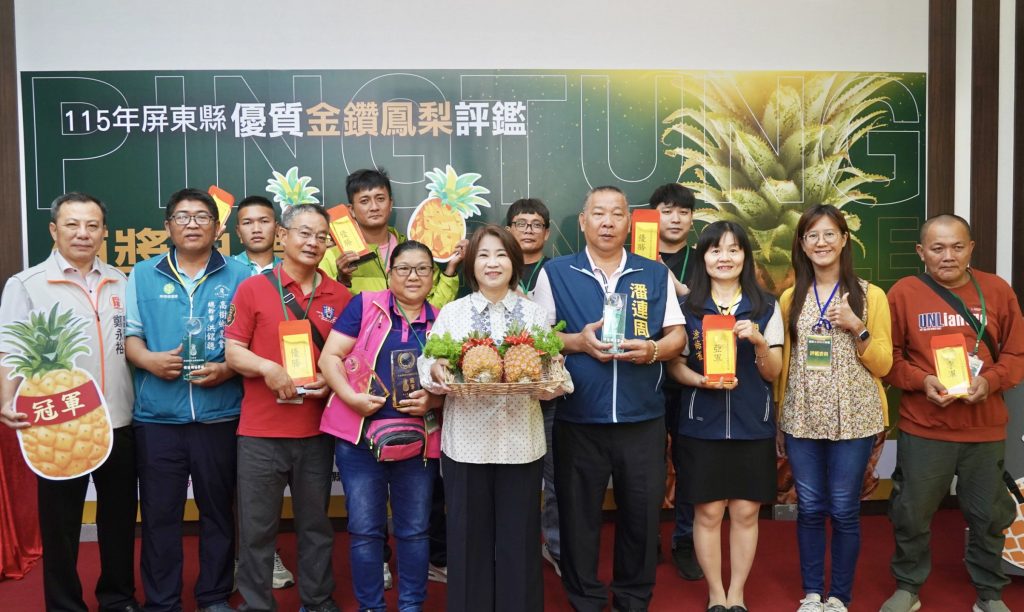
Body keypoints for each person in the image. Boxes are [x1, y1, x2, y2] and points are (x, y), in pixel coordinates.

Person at [532, 186, 686, 612]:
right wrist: (577, 342)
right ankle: (585, 599)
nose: (607, 222)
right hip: (578, 419)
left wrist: (652, 350)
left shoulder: (653, 273)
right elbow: (539, 338)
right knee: (578, 518)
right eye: (598, 214)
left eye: (616, 214)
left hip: (643, 419)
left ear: (629, 222)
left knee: (641, 517)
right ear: (583, 221)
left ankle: (633, 599)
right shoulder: (556, 273)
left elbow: (676, 335)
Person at [0, 192, 139, 612]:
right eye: (72, 225)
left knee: (118, 519)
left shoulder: (122, 280)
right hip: (59, 424)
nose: (83, 233)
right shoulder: (26, 285)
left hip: (120, 419)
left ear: (104, 232)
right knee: (60, 525)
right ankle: (64, 604)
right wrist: (5, 398)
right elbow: (9, 348)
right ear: (53, 230)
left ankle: (117, 597)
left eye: (92, 225)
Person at [422, 225, 569, 612]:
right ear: (472, 263)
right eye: (484, 255)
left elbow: (555, 381)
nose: (492, 263)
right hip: (466, 447)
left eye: (501, 255)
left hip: (521, 445)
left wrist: (550, 375)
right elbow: (427, 366)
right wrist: (435, 370)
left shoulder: (534, 314)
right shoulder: (453, 313)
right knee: (467, 540)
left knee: (519, 541)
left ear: (514, 263)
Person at [880, 214, 1024, 612]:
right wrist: (921, 380)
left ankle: (989, 593)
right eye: (938, 248)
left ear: (971, 249)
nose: (948, 256)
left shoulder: (997, 290)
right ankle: (908, 587)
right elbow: (889, 359)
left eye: (957, 247)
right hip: (925, 428)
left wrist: (990, 381)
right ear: (921, 252)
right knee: (911, 513)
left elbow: (1016, 354)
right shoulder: (904, 293)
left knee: (989, 516)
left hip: (984, 430)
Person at [125, 188, 250, 612]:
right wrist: (149, 360)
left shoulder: (240, 276)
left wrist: (227, 370)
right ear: (168, 226)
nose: (192, 224)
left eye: (202, 217)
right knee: (160, 515)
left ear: (217, 228)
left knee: (218, 512)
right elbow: (131, 337)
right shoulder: (143, 273)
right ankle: (162, 601)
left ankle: (213, 595)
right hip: (158, 417)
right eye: (182, 216)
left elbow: (254, 342)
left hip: (220, 415)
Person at [224, 203, 349, 612]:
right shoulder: (253, 288)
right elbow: (233, 351)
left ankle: (318, 601)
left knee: (316, 526)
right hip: (260, 433)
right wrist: (268, 369)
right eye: (304, 233)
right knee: (257, 530)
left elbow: (351, 361)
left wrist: (329, 380)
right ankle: (256, 604)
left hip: (316, 432)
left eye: (321, 237)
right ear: (283, 235)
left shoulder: (341, 297)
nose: (313, 242)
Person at [775, 205, 893, 612]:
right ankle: (812, 593)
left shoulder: (870, 295)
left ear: (844, 239)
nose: (821, 242)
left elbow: (884, 364)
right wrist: (780, 416)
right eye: (812, 235)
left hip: (855, 418)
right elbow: (784, 364)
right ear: (802, 244)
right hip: (802, 416)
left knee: (844, 509)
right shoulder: (790, 298)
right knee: (808, 507)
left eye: (829, 234)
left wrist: (857, 326)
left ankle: (839, 596)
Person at [666, 220, 783, 612]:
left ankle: (738, 594)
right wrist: (700, 380)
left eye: (734, 249)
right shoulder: (687, 308)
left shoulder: (767, 306)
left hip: (753, 423)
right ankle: (716, 593)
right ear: (703, 257)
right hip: (702, 424)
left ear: (745, 256)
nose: (725, 258)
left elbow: (773, 372)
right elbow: (675, 366)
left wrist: (760, 342)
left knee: (746, 512)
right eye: (716, 250)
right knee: (709, 511)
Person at [319, 240, 442, 612]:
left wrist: (434, 401)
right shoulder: (365, 305)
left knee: (415, 531)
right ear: (390, 274)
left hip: (418, 445)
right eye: (403, 268)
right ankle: (371, 607)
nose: (412, 276)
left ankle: (411, 606)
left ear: (433, 276)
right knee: (364, 531)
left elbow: (455, 382)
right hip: (360, 442)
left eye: (422, 269)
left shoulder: (443, 320)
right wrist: (350, 398)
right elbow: (330, 357)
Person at [504, 197, 562, 576]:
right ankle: (514, 547)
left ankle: (554, 546)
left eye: (536, 224)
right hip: (501, 393)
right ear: (508, 230)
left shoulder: (558, 272)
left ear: (546, 231)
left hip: (547, 389)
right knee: (511, 476)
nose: (528, 230)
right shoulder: (492, 269)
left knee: (555, 475)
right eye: (521, 223)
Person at [647, 182, 701, 581]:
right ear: (653, 216)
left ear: (692, 219)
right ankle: (646, 539)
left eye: (683, 212)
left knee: (689, 464)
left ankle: (685, 540)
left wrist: (680, 290)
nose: (676, 219)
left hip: (690, 377)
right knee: (646, 467)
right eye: (667, 211)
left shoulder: (704, 259)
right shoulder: (634, 258)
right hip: (644, 376)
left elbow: (711, 311)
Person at [319, 168, 464, 306]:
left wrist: (450, 270)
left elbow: (434, 308)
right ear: (351, 210)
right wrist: (342, 281)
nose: (374, 207)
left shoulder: (414, 250)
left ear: (390, 204)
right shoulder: (333, 256)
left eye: (380, 199)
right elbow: (326, 311)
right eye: (364, 201)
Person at [233, 195, 282, 275]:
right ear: (238, 231)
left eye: (264, 221)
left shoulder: (288, 270)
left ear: (276, 228)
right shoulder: (226, 269)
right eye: (247, 223)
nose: (256, 230)